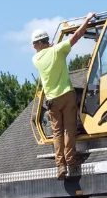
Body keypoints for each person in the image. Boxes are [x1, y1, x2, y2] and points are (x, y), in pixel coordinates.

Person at [32, 14, 95, 179]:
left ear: (37, 44)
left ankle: (61, 166)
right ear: (46, 40)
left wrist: (50, 46)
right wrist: (87, 20)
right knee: (70, 130)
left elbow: (46, 51)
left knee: (57, 132)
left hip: (52, 100)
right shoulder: (58, 51)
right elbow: (76, 37)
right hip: (67, 95)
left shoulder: (36, 59)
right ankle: (71, 160)